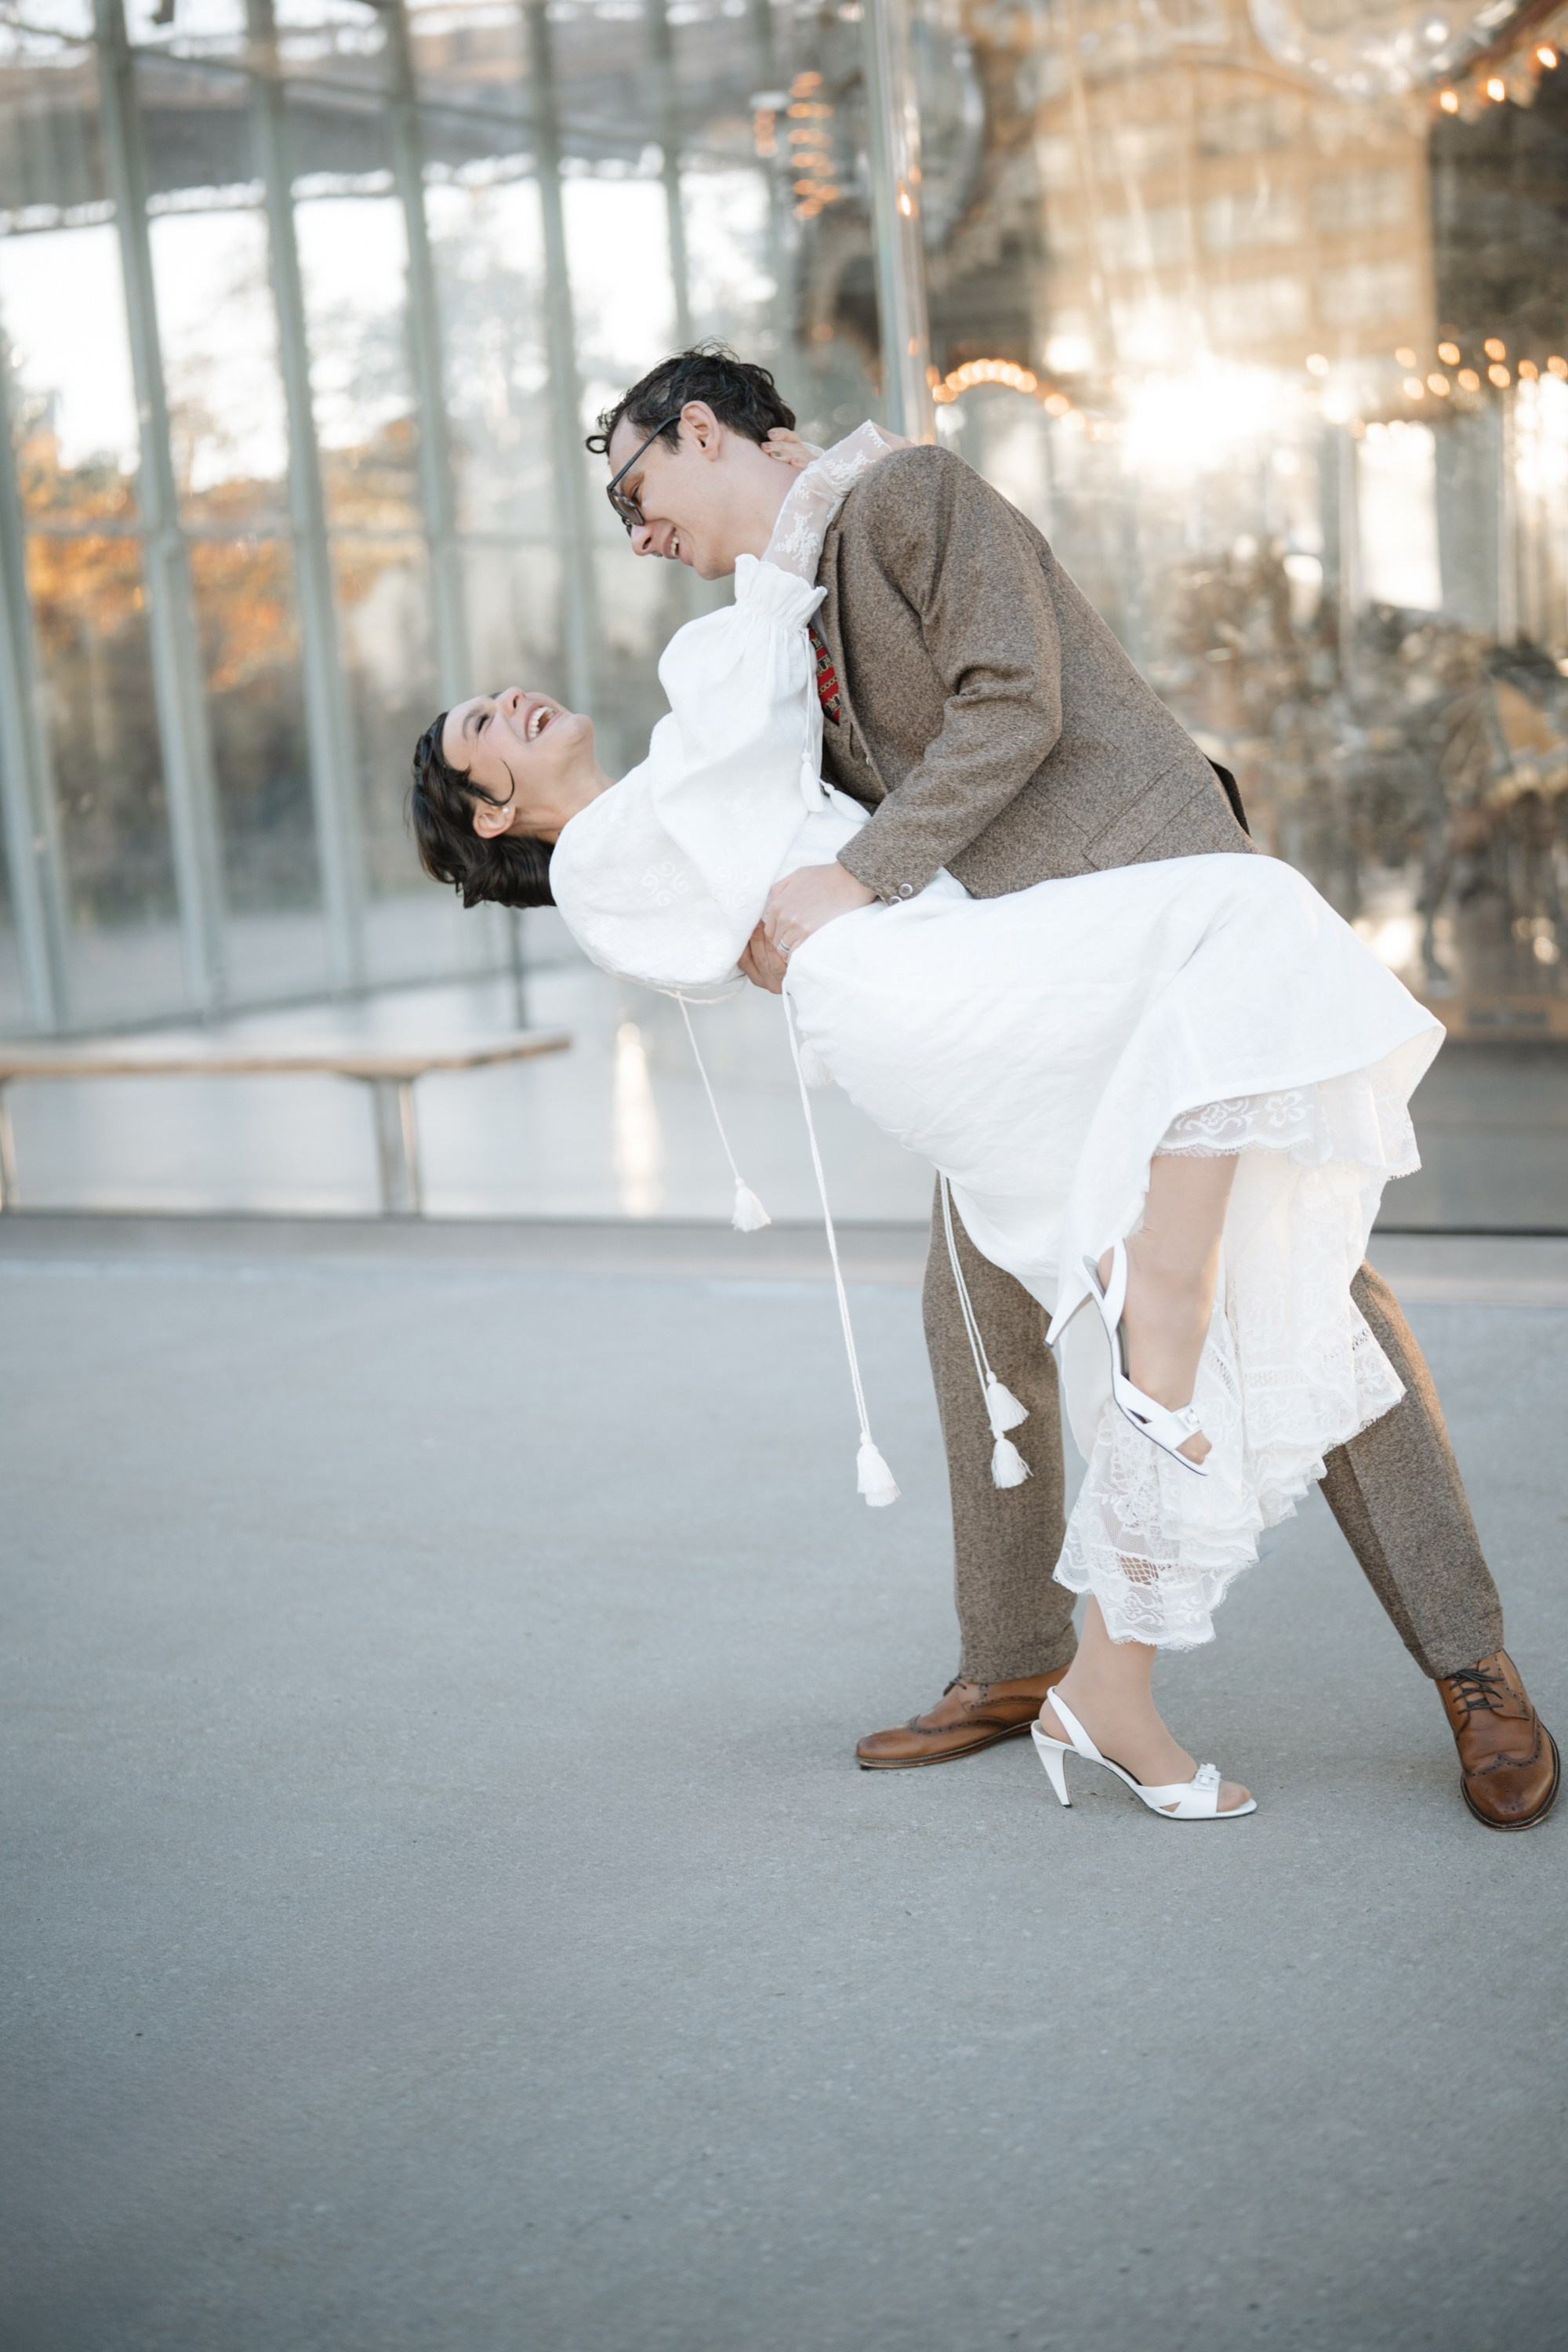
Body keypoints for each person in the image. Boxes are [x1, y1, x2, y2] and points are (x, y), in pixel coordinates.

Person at [410, 354, 1556, 1831]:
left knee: (1304, 1298)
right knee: (976, 1314)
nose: (640, 535)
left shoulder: (910, 496)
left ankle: (1474, 1671)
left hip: (1124, 911)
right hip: (1001, 984)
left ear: (702, 432)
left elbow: (1012, 705)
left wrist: (853, 887)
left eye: (636, 491)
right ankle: (1023, 1667)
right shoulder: (769, 624)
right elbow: (743, 869)